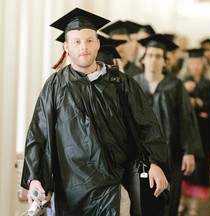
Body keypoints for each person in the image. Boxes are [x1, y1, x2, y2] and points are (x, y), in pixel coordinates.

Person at [21, 7, 170, 215]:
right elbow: (39, 134)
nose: (84, 47)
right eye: (77, 42)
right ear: (66, 47)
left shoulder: (121, 83)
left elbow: (146, 125)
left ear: (98, 43)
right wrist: (35, 177)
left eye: (90, 40)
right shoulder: (55, 86)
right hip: (70, 187)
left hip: (113, 184)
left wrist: (155, 162)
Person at [133, 34, 203, 216]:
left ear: (165, 61)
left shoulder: (175, 85)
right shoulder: (133, 83)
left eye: (158, 56)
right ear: (143, 59)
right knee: (141, 199)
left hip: (171, 151)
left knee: (169, 199)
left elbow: (186, 119)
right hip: (140, 154)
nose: (153, 60)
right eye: (150, 55)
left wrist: (189, 151)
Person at [178, 48, 210, 215]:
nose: (195, 66)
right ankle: (180, 200)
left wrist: (200, 103)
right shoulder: (179, 82)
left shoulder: (209, 85)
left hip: (203, 134)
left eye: (198, 63)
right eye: (192, 63)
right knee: (182, 168)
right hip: (183, 132)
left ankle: (194, 204)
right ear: (187, 65)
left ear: (204, 66)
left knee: (200, 170)